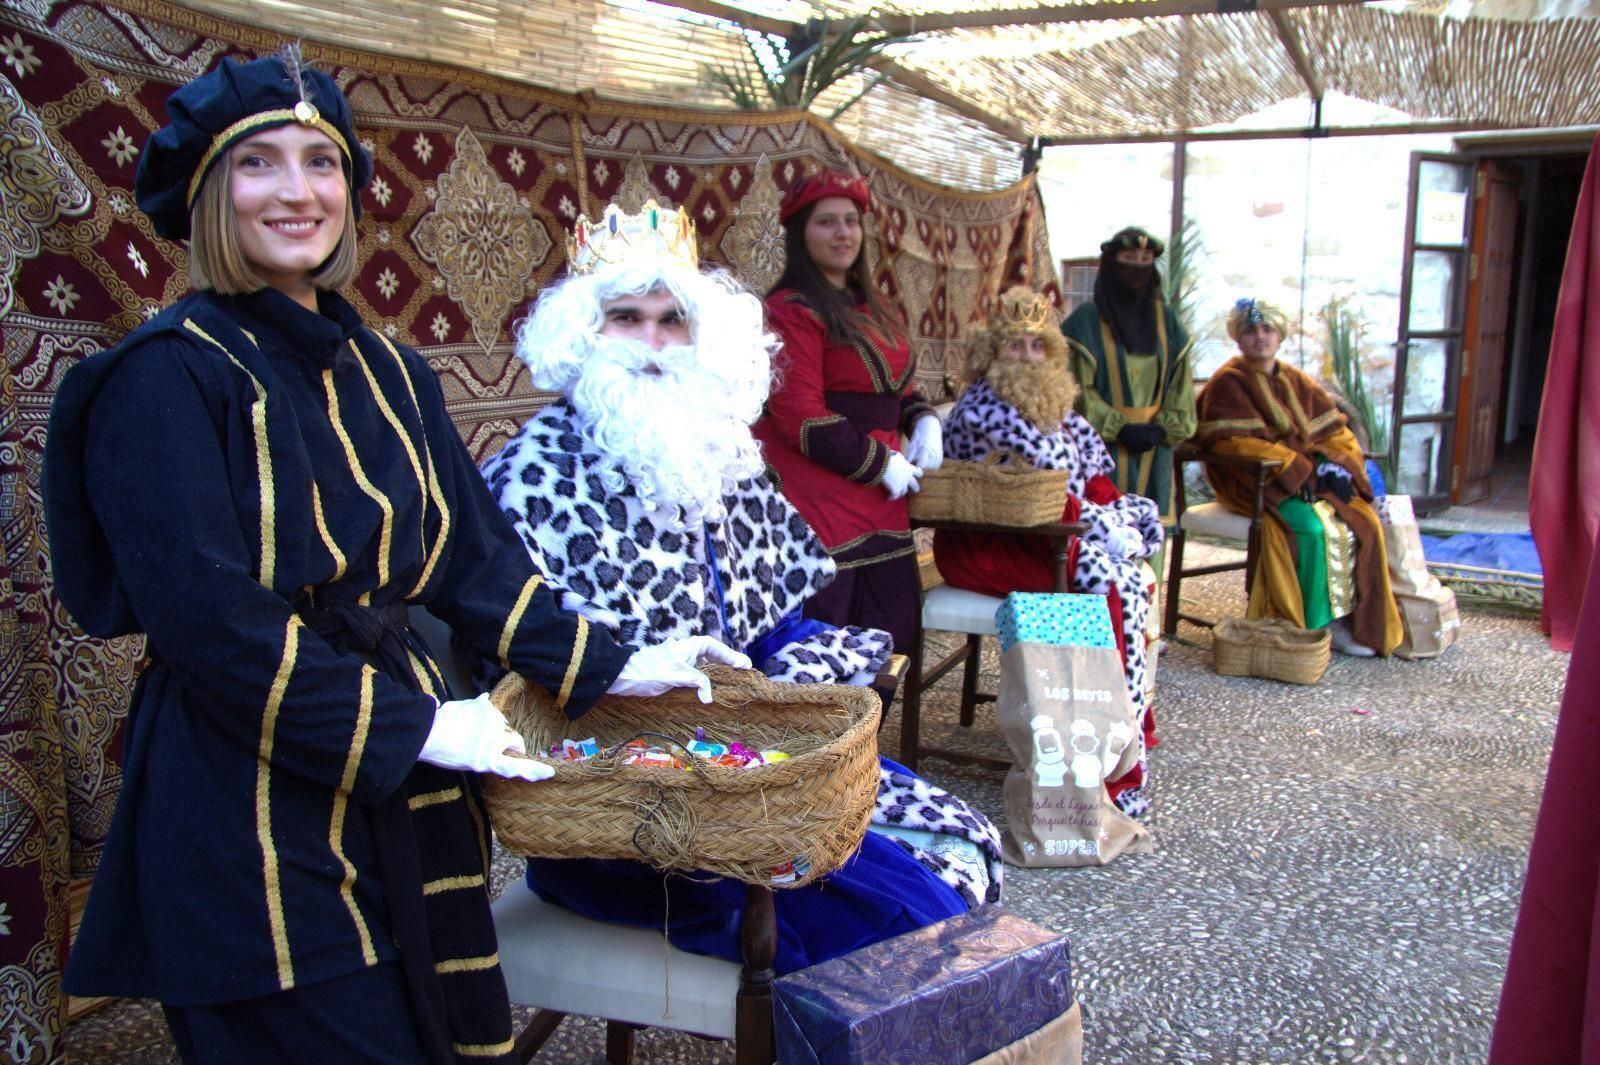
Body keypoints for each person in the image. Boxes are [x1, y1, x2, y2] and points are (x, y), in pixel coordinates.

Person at [42, 53, 735, 1065]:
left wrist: (609, 660)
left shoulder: (390, 372)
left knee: (434, 1029)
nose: (297, 192)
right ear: (206, 196)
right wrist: (414, 724)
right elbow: (210, 625)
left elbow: (471, 558)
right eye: (258, 165)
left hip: (410, 786)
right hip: (247, 800)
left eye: (321, 162)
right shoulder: (163, 380)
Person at [481, 198, 1003, 974]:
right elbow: (516, 683)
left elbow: (773, 626)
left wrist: (803, 667)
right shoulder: (529, 477)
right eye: (627, 317)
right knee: (902, 912)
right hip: (625, 812)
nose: (654, 342)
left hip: (752, 763)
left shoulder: (720, 454)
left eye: (673, 319)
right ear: (583, 333)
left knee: (963, 836)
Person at [934, 285, 1164, 816]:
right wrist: (1106, 529)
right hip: (991, 540)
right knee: (1111, 584)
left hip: (1048, 535)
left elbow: (1092, 482)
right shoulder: (984, 409)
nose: (1027, 357)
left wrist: (1121, 514)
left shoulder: (1056, 409)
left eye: (1037, 346)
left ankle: (1117, 729)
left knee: (1129, 574)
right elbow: (1047, 493)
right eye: (1014, 345)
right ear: (992, 351)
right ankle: (1103, 763)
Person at [751, 169, 943, 653]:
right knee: (832, 632)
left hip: (882, 498)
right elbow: (799, 415)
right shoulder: (790, 309)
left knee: (892, 629)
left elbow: (896, 388)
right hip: (820, 493)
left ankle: (874, 728)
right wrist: (882, 463)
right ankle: (832, 728)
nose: (843, 233)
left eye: (852, 221)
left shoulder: (873, 307)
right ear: (801, 234)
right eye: (826, 222)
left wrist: (922, 417)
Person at [1194, 298, 1403, 656]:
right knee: (1308, 527)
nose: (1260, 337)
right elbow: (1230, 443)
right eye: (1250, 331)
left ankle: (1356, 620)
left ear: (1279, 335)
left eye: (1267, 330)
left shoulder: (1295, 379)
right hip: (1254, 484)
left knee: (1363, 521)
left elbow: (1337, 430)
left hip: (1306, 482)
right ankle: (1316, 623)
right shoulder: (1227, 382)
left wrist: (1333, 462)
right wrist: (1292, 464)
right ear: (1238, 338)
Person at [1060, 226, 1197, 531]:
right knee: (1103, 533)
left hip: (1154, 447)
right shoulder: (1085, 322)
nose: (1137, 266)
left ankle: (1152, 582)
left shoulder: (1168, 322)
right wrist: (1119, 426)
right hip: (1101, 450)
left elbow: (1181, 385)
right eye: (1129, 258)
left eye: (1145, 258)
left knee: (1151, 533)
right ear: (1111, 264)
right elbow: (1074, 390)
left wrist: (1163, 428)